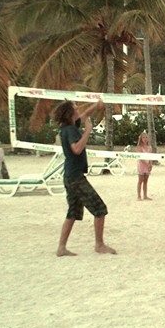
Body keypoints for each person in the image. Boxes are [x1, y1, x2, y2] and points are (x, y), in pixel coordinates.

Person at [54, 100, 116, 256]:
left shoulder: (67, 127)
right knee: (100, 209)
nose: (78, 110)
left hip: (70, 176)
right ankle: (99, 245)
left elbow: (84, 114)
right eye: (75, 108)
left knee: (73, 212)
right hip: (75, 177)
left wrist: (96, 105)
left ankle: (61, 248)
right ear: (70, 113)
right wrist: (88, 131)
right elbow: (76, 149)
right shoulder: (70, 130)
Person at [136, 131, 153, 201]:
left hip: (148, 165)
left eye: (146, 137)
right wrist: (147, 164)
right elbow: (140, 158)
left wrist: (150, 164)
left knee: (146, 181)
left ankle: (145, 196)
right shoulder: (139, 147)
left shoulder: (150, 147)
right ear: (141, 139)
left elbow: (151, 156)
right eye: (143, 137)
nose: (145, 139)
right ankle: (139, 196)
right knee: (140, 181)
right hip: (141, 165)